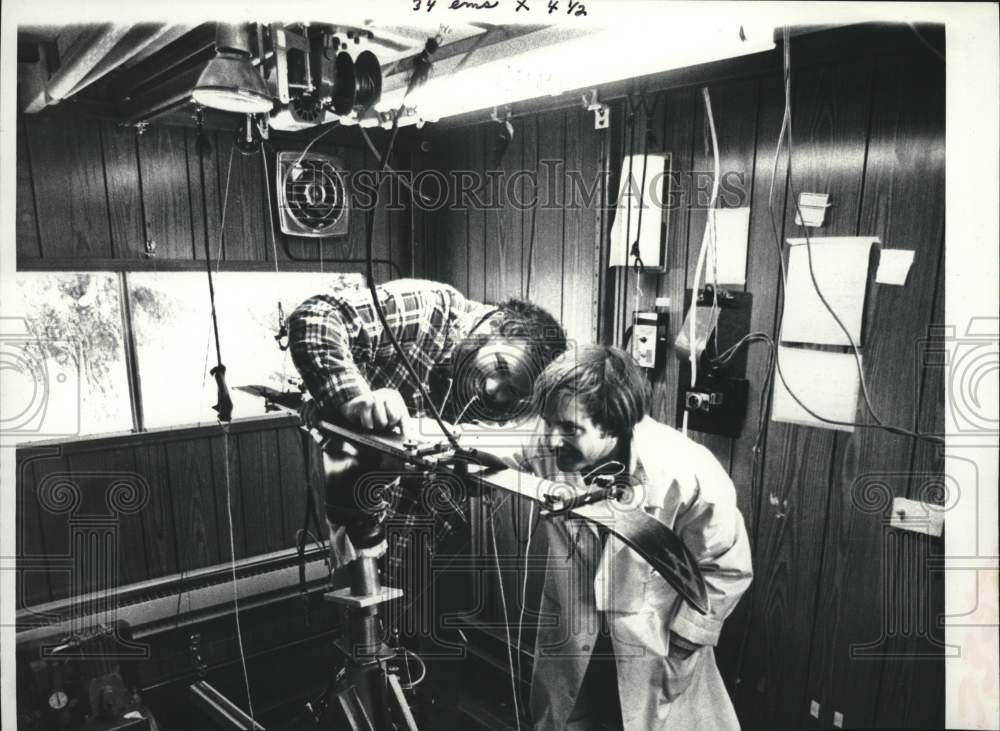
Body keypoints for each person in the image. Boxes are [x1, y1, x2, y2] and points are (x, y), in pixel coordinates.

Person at [509, 345, 752, 731]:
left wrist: (685, 643)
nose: (552, 440)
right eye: (547, 422)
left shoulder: (686, 472)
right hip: (576, 637)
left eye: (570, 428)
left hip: (655, 644)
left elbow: (727, 567)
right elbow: (481, 447)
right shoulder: (552, 445)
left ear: (612, 425)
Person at [286, 278, 568, 565]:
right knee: (351, 591)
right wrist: (353, 400)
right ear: (493, 327)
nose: (493, 390)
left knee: (398, 602)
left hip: (417, 529)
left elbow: (472, 475)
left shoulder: (504, 403)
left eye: (512, 390)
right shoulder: (429, 309)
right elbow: (316, 317)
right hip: (352, 503)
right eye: (500, 366)